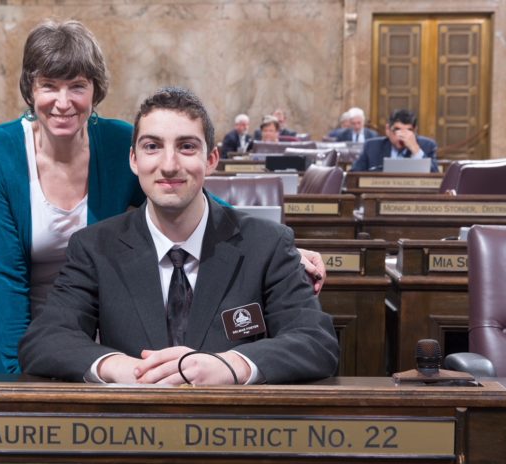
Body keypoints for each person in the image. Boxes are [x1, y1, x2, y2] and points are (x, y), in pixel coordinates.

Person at [0, 20, 326, 375]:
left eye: (77, 86)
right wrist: (22, 373)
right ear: (30, 89)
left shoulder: (118, 143)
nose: (63, 102)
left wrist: (272, 245)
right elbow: (6, 274)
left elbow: (187, 192)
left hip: (86, 316)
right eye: (49, 85)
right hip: (4, 319)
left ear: (95, 90)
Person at [19, 87, 339, 385]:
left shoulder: (267, 244)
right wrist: (120, 367)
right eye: (152, 146)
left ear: (210, 159)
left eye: (186, 146)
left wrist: (232, 365)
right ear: (134, 159)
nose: (169, 165)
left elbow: (315, 342)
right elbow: (46, 340)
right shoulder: (94, 247)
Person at [351, 109, 438, 172]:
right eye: (397, 130)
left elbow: (435, 179)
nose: (402, 136)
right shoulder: (371, 146)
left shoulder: (427, 146)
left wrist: (416, 150)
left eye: (408, 131)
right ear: (388, 129)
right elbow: (354, 175)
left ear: (415, 131)